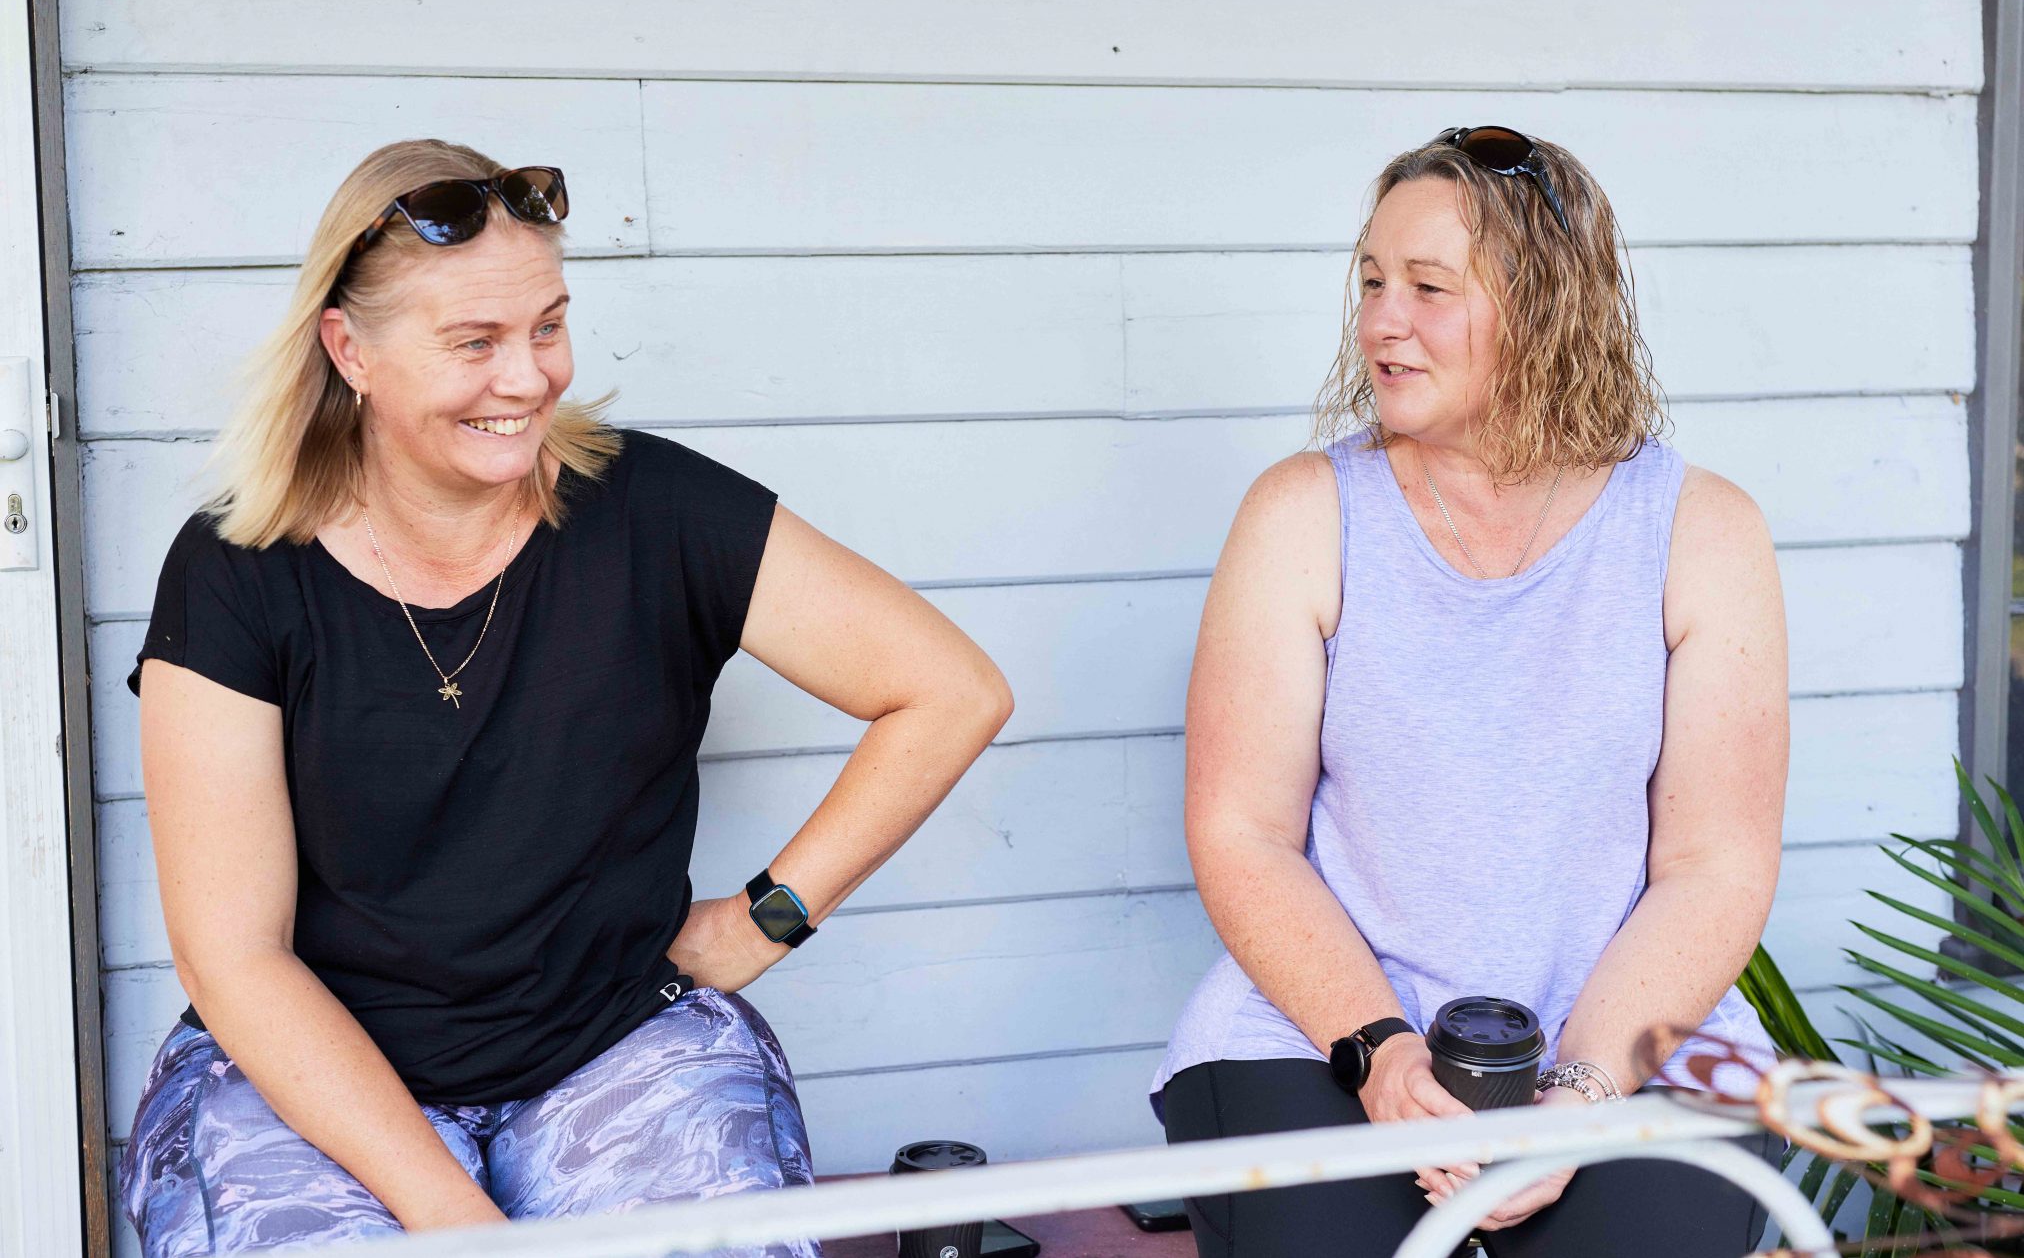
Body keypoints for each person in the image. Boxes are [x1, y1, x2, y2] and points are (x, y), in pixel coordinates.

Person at [117, 139, 1013, 1256]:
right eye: (474, 342)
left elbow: (948, 688)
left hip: (611, 1050)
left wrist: (757, 921)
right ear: (349, 348)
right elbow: (234, 954)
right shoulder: (237, 568)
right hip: (316, 1085)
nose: (529, 376)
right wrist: (450, 1215)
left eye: (546, 325)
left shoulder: (652, 507)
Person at [1153, 127, 1787, 1257]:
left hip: (1629, 1044)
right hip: (1320, 1034)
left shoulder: (1699, 530)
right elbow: (1241, 830)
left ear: (1545, 311)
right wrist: (1382, 1057)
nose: (1381, 320)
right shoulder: (1301, 513)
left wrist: (1577, 1102)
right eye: (1370, 281)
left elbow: (1712, 865)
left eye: (1429, 288)